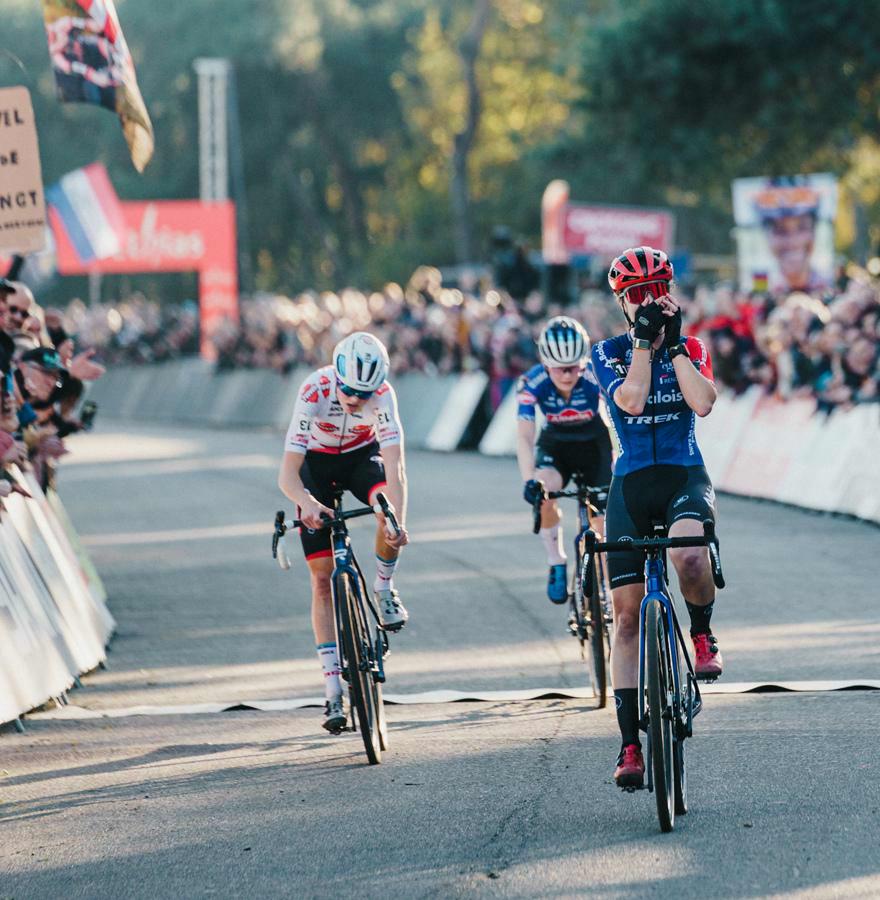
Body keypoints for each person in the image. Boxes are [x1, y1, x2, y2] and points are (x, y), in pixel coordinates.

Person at [591, 246, 722, 790]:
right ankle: (628, 744)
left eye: (655, 291)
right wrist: (644, 344)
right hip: (631, 484)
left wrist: (675, 352)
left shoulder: (691, 345)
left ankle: (702, 634)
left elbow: (704, 403)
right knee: (625, 620)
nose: (647, 302)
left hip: (682, 475)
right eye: (635, 296)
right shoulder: (607, 352)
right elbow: (632, 403)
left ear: (670, 292)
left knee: (690, 554)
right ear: (621, 303)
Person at [278, 332, 410, 733]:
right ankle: (332, 687)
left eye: (364, 393)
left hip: (359, 460)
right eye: (350, 390)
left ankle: (384, 588)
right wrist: (308, 504)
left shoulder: (383, 396)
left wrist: (396, 523)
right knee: (321, 582)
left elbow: (395, 470)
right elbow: (287, 475)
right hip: (314, 468)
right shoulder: (313, 390)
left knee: (385, 507)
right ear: (336, 377)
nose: (355, 400)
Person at [516, 316, 613, 603]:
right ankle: (556, 560)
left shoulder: (595, 376)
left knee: (603, 523)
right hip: (556, 446)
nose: (568, 376)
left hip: (596, 444)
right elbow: (524, 436)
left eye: (573, 368)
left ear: (583, 362)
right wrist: (528, 480)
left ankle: (610, 592)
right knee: (543, 492)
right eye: (560, 370)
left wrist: (620, 462)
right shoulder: (532, 382)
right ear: (546, 365)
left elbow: (617, 423)